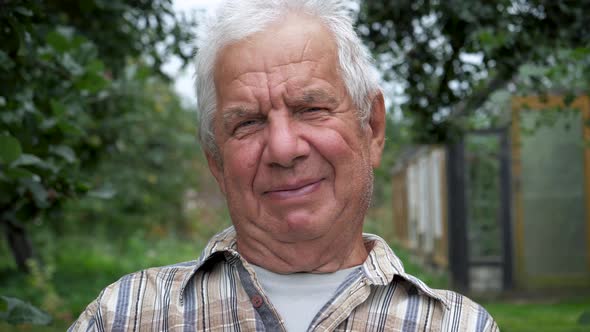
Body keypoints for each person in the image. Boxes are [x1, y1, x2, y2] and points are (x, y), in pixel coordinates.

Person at [70, 0, 498, 331]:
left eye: (310, 108)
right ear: (215, 160)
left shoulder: (459, 325)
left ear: (372, 128)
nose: (282, 148)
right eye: (248, 122)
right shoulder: (124, 317)